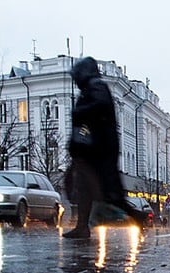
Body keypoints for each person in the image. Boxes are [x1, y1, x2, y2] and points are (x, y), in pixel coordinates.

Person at [63, 56, 143, 239]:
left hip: (99, 149)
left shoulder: (96, 86)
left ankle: (137, 217)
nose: (75, 80)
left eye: (77, 75)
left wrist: (78, 112)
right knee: (85, 188)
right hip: (91, 149)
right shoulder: (91, 87)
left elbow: (98, 107)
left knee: (109, 193)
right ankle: (82, 226)